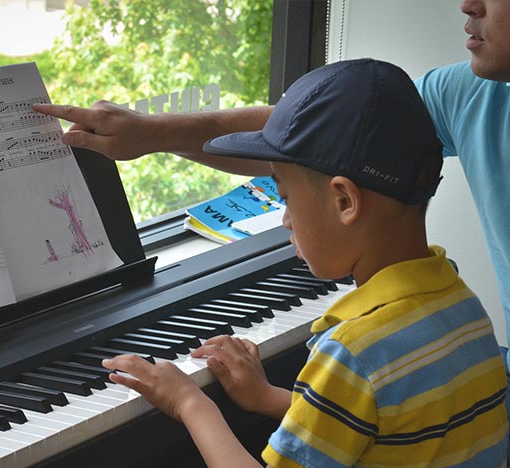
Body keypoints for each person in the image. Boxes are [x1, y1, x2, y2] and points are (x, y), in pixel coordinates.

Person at [100, 58, 508, 468]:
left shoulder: (354, 351)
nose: (285, 221)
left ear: (344, 201)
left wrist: (187, 402)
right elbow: (391, 425)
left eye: (286, 198)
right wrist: (273, 399)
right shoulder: (462, 303)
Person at [31, 1, 510, 358]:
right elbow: (317, 136)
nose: (469, 4)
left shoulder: (355, 348)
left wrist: (190, 404)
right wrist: (152, 133)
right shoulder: (475, 92)